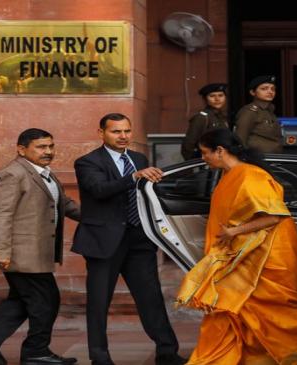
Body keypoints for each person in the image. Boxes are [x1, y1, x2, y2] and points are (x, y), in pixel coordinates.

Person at [177, 128, 297, 364]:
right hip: (243, 254)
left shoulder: (250, 176)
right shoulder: (230, 175)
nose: (203, 158)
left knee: (272, 309)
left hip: (267, 257)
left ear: (220, 151)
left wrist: (233, 231)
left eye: (205, 153)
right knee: (230, 307)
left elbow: (273, 216)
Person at [71, 113, 186, 365]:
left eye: (126, 131)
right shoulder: (87, 162)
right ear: (101, 133)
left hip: (139, 240)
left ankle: (167, 352)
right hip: (104, 242)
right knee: (99, 302)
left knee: (151, 298)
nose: (123, 136)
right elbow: (99, 190)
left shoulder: (138, 159)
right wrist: (133, 177)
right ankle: (99, 357)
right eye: (116, 132)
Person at [0, 128, 80, 365]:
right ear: (21, 149)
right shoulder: (13, 174)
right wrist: (0, 252)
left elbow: (65, 205)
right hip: (22, 254)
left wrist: (101, 218)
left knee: (22, 300)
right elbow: (0, 214)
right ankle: (35, 351)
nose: (48, 151)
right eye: (41, 147)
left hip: (38, 254)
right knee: (46, 301)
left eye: (50, 146)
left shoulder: (45, 173)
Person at [234, 75, 284, 154]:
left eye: (273, 89)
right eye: (264, 89)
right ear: (253, 92)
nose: (270, 92)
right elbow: (240, 140)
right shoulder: (249, 112)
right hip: (257, 160)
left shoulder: (269, 111)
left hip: (273, 158)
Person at [181, 83, 229, 160]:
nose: (217, 99)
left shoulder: (223, 117)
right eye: (212, 96)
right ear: (205, 99)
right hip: (207, 163)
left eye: (220, 95)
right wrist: (193, 166)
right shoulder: (202, 117)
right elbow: (188, 145)